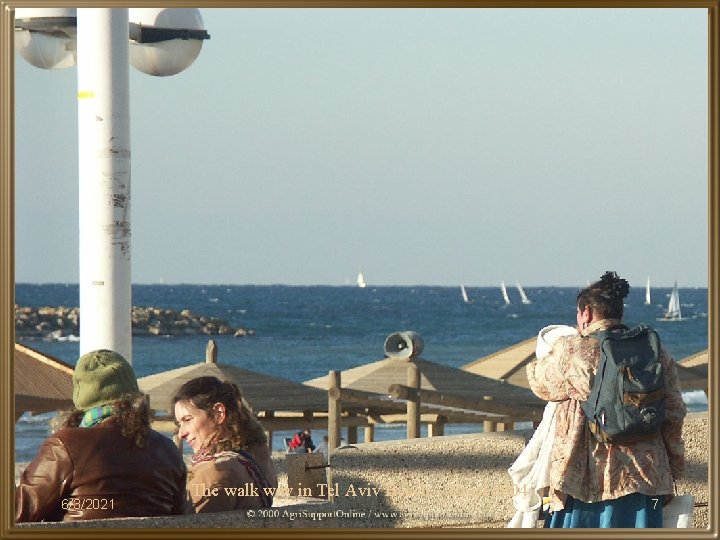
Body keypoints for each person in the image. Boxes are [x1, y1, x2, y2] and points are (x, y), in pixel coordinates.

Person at [526, 271, 686, 528]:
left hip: (585, 482)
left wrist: (552, 348)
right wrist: (673, 467)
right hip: (647, 478)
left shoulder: (574, 349)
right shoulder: (653, 349)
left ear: (586, 313)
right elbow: (674, 411)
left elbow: (538, 381)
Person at [15, 349, 187, 522]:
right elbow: (180, 517)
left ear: (80, 396)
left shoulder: (66, 446)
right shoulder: (169, 451)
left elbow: (17, 512)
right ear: (134, 393)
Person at [173, 376, 278, 513]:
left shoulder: (217, 471)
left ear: (218, 413)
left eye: (187, 420)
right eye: (179, 424)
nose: (181, 434)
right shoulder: (258, 463)